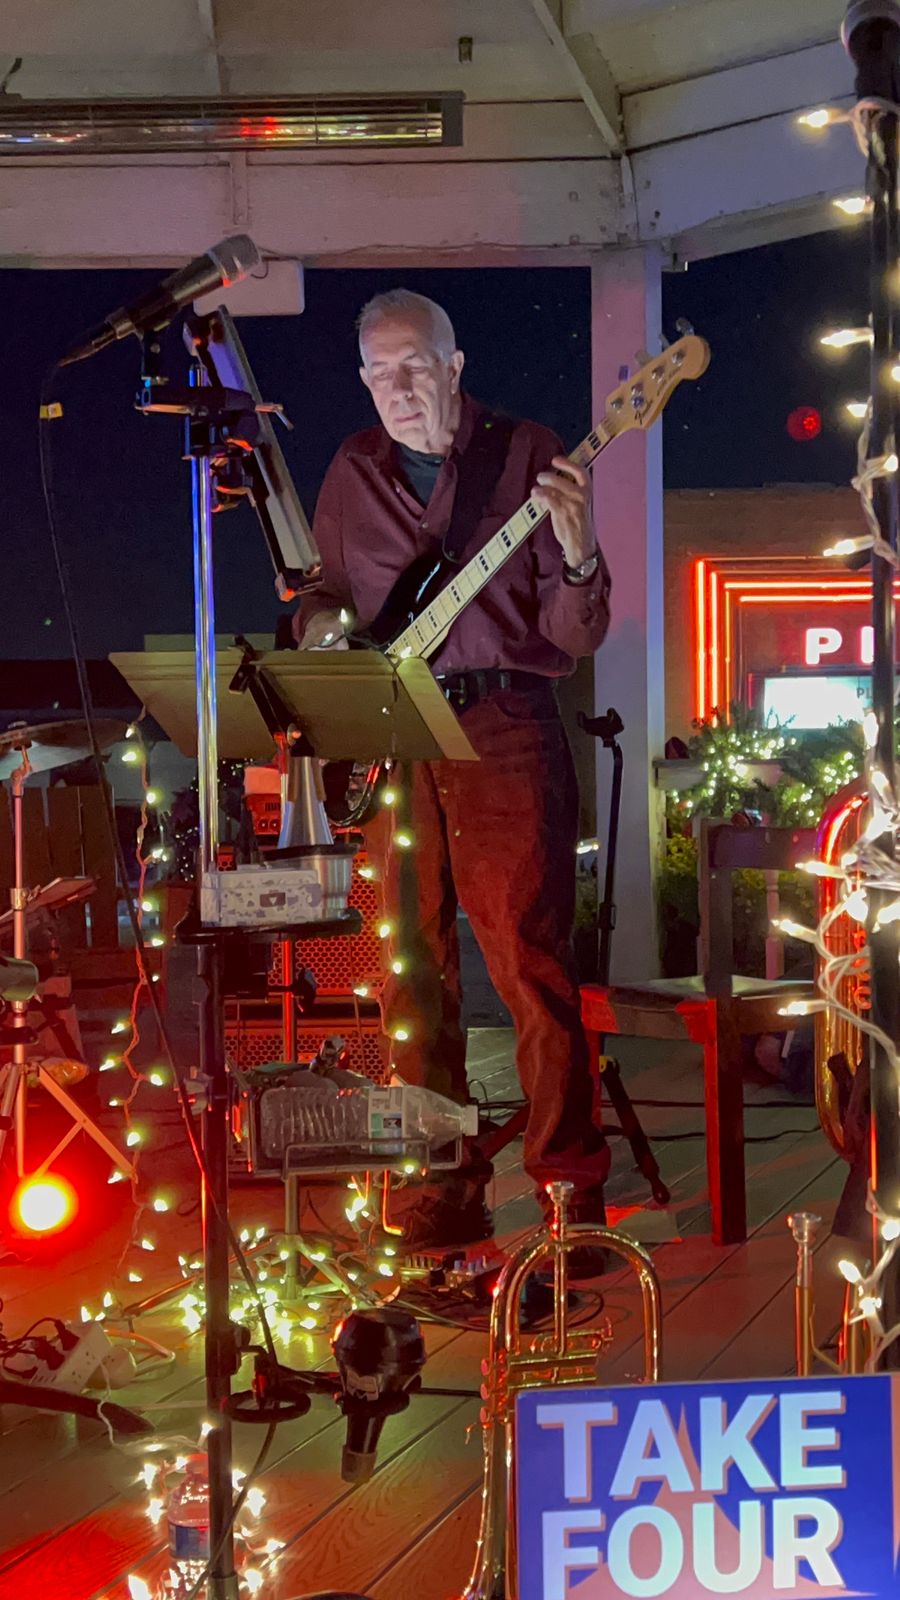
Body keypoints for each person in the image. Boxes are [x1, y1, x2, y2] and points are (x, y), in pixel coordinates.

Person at [294, 288, 612, 1258]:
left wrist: (578, 551)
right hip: (395, 729)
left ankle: (568, 1198)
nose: (397, 389)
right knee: (411, 974)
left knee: (528, 963)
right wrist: (318, 628)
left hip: (504, 722)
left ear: (454, 366)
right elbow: (324, 591)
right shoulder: (351, 470)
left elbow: (574, 633)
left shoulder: (527, 453)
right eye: (378, 373)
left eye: (414, 367)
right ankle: (440, 1185)